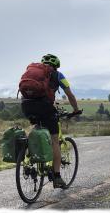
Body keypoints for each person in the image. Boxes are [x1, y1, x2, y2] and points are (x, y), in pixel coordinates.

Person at [20, 54, 80, 188]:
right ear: (56, 66)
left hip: (26, 106)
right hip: (44, 107)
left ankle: (28, 160)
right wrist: (76, 110)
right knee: (54, 139)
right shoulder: (58, 75)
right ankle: (57, 177)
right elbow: (69, 94)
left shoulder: (32, 71)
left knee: (36, 129)